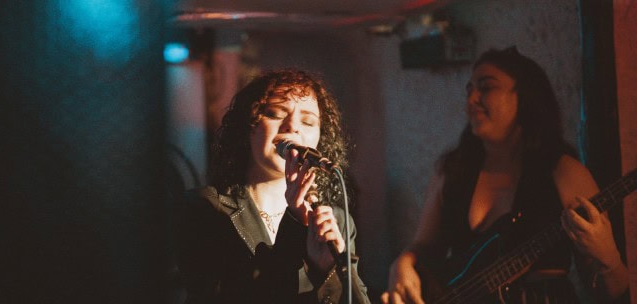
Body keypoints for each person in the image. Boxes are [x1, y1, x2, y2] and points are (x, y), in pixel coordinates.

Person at [382, 47, 629, 303]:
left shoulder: (564, 171)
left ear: (525, 97)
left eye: (486, 87)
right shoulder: (452, 170)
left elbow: (614, 292)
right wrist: (401, 264)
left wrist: (607, 255)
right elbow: (424, 246)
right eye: (469, 89)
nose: (471, 100)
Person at [175, 69, 371, 303]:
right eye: (276, 113)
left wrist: (330, 270)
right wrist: (295, 226)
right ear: (249, 126)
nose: (293, 127)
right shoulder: (206, 208)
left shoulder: (336, 221)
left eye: (308, 121)